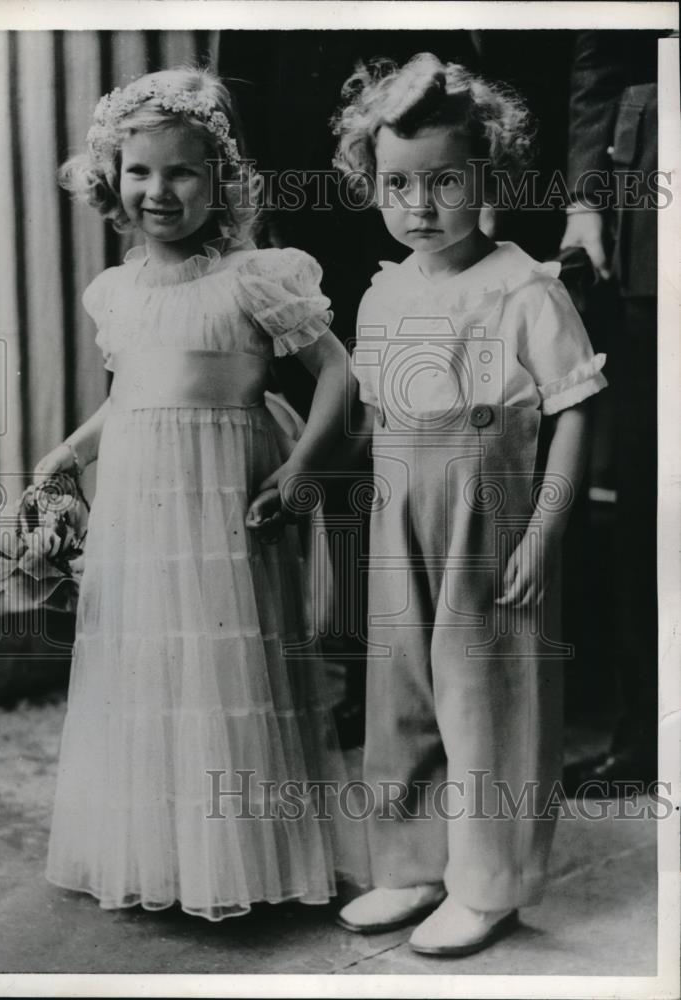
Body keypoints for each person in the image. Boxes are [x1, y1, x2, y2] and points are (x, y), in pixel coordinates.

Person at [34, 67, 365, 921]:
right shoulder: (115, 291)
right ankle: (161, 851)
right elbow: (133, 397)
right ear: (113, 179)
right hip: (143, 505)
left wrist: (301, 470)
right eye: (140, 171)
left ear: (220, 180)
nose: (159, 190)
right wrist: (68, 454)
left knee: (231, 665)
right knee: (148, 665)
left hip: (222, 499)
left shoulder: (258, 276)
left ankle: (248, 857)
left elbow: (337, 373)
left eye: (182, 171)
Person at [330, 53, 608, 955]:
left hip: (487, 525)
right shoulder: (382, 295)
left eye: (445, 181)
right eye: (398, 183)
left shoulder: (524, 288)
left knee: (486, 699)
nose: (420, 204)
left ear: (488, 177)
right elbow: (380, 424)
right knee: (399, 694)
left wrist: (543, 532)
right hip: (400, 519)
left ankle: (487, 883)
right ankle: (410, 865)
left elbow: (573, 414)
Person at [559, 30, 661, 792]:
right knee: (650, 486)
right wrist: (587, 198)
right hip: (657, 216)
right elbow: (603, 58)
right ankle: (649, 732)